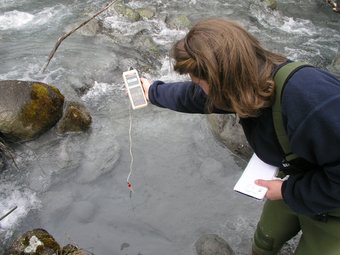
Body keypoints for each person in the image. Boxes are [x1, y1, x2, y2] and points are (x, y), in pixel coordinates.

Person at [139, 18, 340, 255]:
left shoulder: (312, 101)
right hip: (296, 177)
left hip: (332, 199)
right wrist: (154, 92)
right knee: (265, 242)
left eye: (200, 83)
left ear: (220, 80)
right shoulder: (246, 79)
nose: (199, 89)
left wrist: (287, 192)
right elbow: (195, 97)